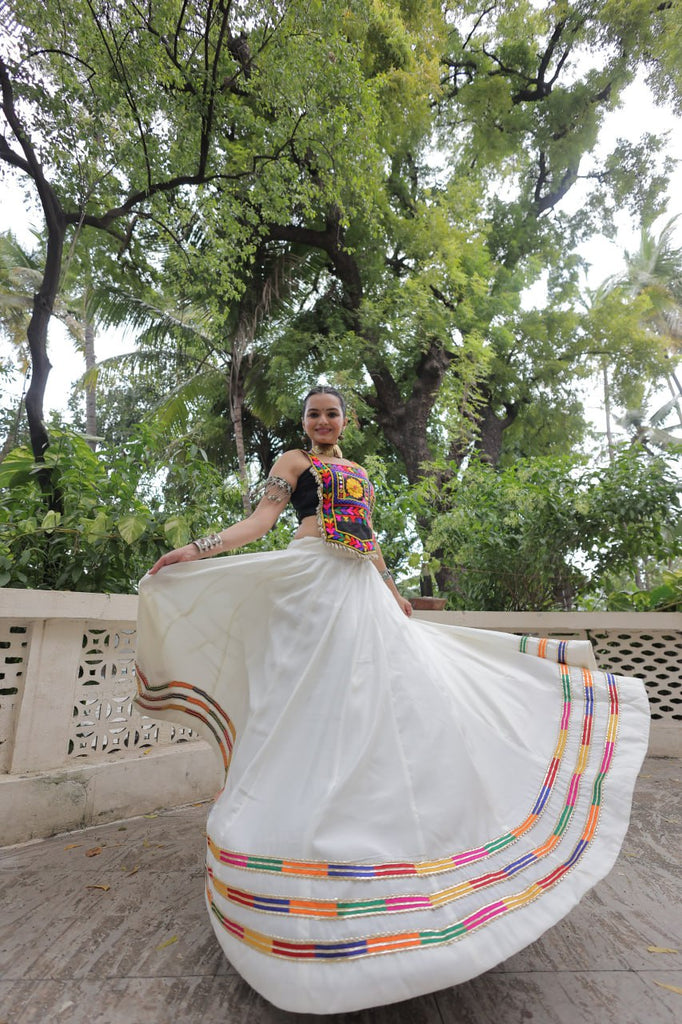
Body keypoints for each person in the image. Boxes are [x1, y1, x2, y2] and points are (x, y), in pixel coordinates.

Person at [135, 385, 650, 1015]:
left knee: (382, 703)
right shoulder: (292, 466)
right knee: (303, 709)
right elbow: (260, 523)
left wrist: (393, 588)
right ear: (303, 423)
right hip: (309, 586)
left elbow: (369, 538)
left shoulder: (359, 472)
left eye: (331, 413)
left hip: (361, 592)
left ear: (345, 420)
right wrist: (196, 550)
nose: (323, 421)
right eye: (313, 414)